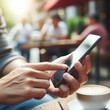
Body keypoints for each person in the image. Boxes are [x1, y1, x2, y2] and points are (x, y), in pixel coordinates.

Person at [0, 9, 91, 110]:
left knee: (50, 105)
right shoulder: (48, 26)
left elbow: (5, 54)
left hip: (57, 49)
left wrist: (32, 73)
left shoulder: (61, 26)